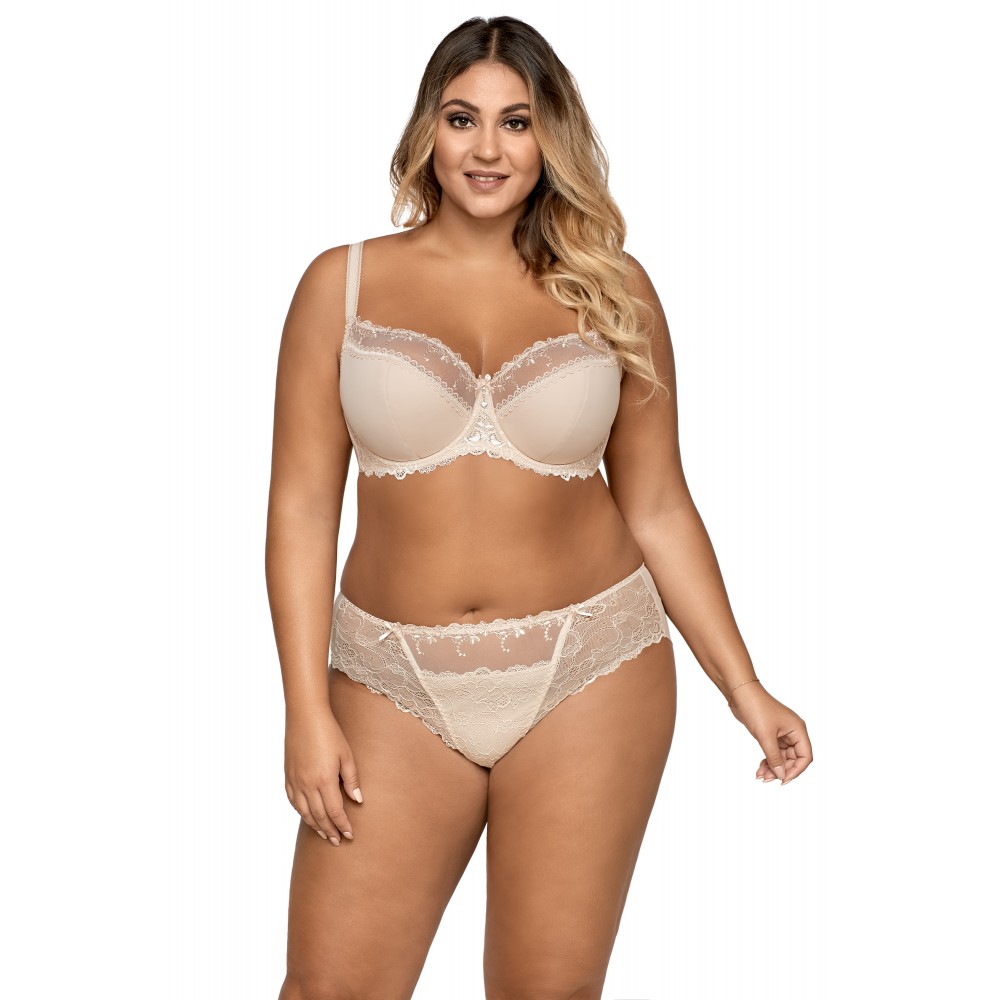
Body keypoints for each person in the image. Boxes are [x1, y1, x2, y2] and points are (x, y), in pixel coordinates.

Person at [265, 14, 813, 1000]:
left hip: (590, 668)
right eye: (462, 118)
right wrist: (304, 707)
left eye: (515, 122)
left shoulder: (614, 290)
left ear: (549, 136)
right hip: (391, 679)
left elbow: (659, 505)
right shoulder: (340, 285)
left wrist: (746, 689)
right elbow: (302, 509)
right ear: (427, 131)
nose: (487, 148)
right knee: (328, 988)